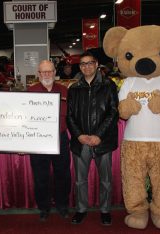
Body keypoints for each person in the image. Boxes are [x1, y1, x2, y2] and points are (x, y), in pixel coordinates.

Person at [66, 51, 119, 225]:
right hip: (80, 142)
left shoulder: (108, 85)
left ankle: (105, 210)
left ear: (96, 65)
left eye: (90, 63)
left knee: (105, 180)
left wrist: (98, 135)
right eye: (82, 64)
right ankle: (81, 209)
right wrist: (79, 135)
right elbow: (70, 116)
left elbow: (113, 112)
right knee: (80, 180)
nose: (86, 66)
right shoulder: (74, 89)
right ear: (79, 67)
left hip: (102, 141)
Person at [27, 60, 71, 221]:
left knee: (63, 175)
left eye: (50, 71)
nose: (47, 75)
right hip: (38, 140)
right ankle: (44, 207)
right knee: (40, 176)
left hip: (60, 138)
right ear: (38, 74)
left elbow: (71, 116)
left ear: (54, 73)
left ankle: (62, 205)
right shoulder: (30, 92)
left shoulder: (64, 91)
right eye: (43, 72)